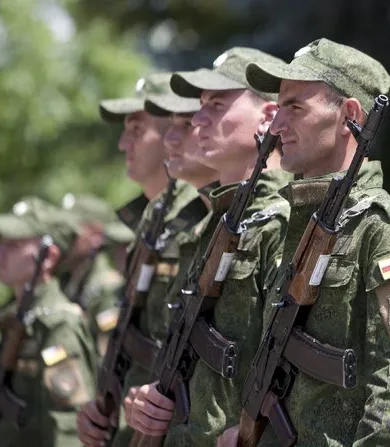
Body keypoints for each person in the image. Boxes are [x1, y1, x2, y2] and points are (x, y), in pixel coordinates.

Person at [215, 37, 390, 447]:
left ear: (350, 116)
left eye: (295, 107)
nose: (275, 126)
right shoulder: (296, 226)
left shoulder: (388, 230)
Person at [121, 47, 292, 446]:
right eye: (200, 107)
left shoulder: (282, 221)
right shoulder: (216, 222)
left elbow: (290, 372)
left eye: (216, 105)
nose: (198, 120)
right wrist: (146, 402)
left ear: (267, 119)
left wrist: (255, 433)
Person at [76, 74, 212, 447]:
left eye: (136, 130)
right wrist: (107, 404)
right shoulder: (156, 218)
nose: (123, 144)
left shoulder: (203, 215)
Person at [0, 196, 98, 446]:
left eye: (15, 244)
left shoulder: (58, 324)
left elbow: (68, 424)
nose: (0, 252)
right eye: (2, 243)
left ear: (49, 256)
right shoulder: (15, 317)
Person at [59, 193, 135, 357]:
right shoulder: (69, 280)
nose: (61, 237)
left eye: (71, 232)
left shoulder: (105, 287)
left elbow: (106, 355)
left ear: (96, 235)